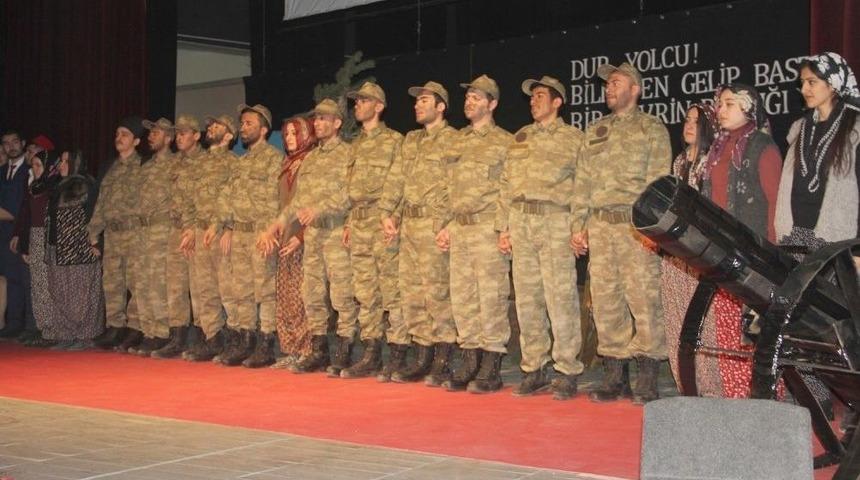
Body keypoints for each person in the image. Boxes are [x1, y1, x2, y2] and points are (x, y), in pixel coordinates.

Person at [570, 63, 671, 404]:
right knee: (606, 299)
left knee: (643, 299)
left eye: (616, 82)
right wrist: (578, 226)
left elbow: (659, 183)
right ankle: (615, 375)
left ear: (635, 88)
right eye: (607, 84)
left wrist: (650, 228)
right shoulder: (595, 130)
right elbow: (582, 181)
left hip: (633, 226)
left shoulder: (651, 128)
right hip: (599, 225)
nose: (608, 88)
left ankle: (647, 375)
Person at [774, 52, 859, 425]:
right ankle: (814, 396)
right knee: (802, 323)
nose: (804, 89)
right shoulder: (799, 129)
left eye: (812, 82)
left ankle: (853, 401)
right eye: (802, 83)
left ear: (834, 84)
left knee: (843, 325)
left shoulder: (855, 128)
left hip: (840, 242)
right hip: (798, 239)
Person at [259, 99, 359, 375]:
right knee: (311, 294)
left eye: (325, 119)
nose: (318, 123)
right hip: (314, 236)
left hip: (336, 230)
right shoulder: (312, 158)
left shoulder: (349, 155)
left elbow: (350, 194)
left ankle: (344, 349)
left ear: (337, 123)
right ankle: (318, 350)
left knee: (341, 294)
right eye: (316, 119)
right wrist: (276, 225)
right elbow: (297, 201)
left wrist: (320, 208)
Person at [500, 76, 585, 400]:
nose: (533, 101)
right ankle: (534, 366)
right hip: (522, 221)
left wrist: (579, 226)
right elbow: (506, 184)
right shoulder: (520, 137)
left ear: (557, 101)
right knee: (527, 299)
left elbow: (582, 186)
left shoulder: (573, 138)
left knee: (560, 298)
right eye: (532, 97)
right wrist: (503, 227)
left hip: (554, 221)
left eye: (539, 96)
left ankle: (566, 369)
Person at [698, 83, 782, 398]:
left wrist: (772, 251)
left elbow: (775, 201)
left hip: (753, 250)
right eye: (720, 104)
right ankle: (730, 390)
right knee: (726, 322)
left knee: (755, 325)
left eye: (729, 104)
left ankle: (763, 393)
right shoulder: (718, 148)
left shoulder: (762, 145)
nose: (721, 109)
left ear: (747, 108)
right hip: (722, 247)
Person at [378, 81, 458, 384]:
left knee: (436, 292)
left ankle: (443, 359)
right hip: (408, 225)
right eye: (416, 101)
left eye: (424, 100)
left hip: (432, 224)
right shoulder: (410, 140)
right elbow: (396, 179)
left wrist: (447, 224)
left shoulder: (453, 140)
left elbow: (456, 186)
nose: (417, 105)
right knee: (411, 293)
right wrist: (388, 214)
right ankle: (422, 356)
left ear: (440, 106)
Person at [437, 74, 512, 393]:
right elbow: (445, 187)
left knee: (491, 296)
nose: (469, 101)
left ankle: (491, 365)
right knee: (463, 297)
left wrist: (504, 229)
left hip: (486, 227)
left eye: (477, 97)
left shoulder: (505, 142)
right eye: (468, 97)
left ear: (492, 104)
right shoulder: (456, 141)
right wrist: (444, 224)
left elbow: (508, 189)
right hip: (460, 227)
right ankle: (469, 360)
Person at [340, 82, 404, 379]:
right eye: (356, 101)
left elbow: (400, 185)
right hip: (359, 222)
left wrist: (394, 218)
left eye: (364, 100)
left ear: (378, 106)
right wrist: (348, 222)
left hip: (382, 220)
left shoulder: (394, 141)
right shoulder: (355, 145)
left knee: (391, 290)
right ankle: (372, 351)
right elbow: (349, 189)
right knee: (365, 292)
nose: (358, 105)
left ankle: (398, 353)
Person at [215, 104, 281, 367]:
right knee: (241, 289)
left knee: (265, 290)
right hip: (240, 234)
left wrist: (268, 232)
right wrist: (228, 227)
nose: (243, 128)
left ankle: (266, 344)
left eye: (249, 124)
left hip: (260, 233)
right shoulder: (241, 163)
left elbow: (276, 200)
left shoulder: (273, 159)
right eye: (242, 123)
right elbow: (229, 198)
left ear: (264, 129)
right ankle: (246, 340)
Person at [660, 103, 717, 389]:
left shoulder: (711, 161)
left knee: (700, 321)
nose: (689, 125)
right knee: (675, 315)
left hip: (698, 252)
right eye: (686, 120)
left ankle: (706, 381)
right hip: (674, 252)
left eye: (697, 121)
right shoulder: (680, 161)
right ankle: (685, 381)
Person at [32, 150, 104, 349]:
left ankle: (84, 336)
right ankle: (65, 334)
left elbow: (96, 215)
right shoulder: (58, 186)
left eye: (66, 161)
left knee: (81, 295)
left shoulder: (86, 185)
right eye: (61, 161)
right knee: (60, 293)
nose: (61, 165)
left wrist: (96, 243)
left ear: (76, 163)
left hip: (79, 249)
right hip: (56, 248)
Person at [181, 115, 237, 362]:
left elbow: (237, 199)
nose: (211, 128)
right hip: (201, 232)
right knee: (204, 290)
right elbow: (191, 200)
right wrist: (190, 228)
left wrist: (230, 228)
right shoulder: (200, 164)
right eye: (210, 124)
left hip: (221, 232)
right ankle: (212, 338)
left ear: (228, 136)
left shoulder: (234, 163)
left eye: (218, 126)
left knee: (227, 288)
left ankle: (237, 339)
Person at [88, 117, 145, 351]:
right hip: (111, 235)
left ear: (137, 140)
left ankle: (135, 328)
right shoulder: (109, 168)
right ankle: (114, 326)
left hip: (134, 234)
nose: (118, 138)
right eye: (117, 133)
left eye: (124, 134)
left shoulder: (143, 166)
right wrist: (93, 233)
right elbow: (101, 203)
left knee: (135, 282)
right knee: (112, 283)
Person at [149, 115, 202, 359]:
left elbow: (205, 200)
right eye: (177, 134)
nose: (179, 137)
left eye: (184, 133)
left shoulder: (204, 162)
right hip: (174, 229)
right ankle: (177, 336)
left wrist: (193, 228)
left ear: (196, 136)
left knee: (199, 286)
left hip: (195, 230)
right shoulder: (173, 164)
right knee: (175, 286)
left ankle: (204, 337)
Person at [268, 115, 316, 369]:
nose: (289, 138)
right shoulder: (287, 164)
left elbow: (312, 202)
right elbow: (283, 205)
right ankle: (290, 349)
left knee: (302, 298)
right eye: (286, 134)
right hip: (285, 238)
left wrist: (301, 236)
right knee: (286, 297)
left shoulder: (311, 162)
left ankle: (307, 350)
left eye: (294, 133)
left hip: (303, 238)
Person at [130, 117, 176, 356]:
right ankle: (148, 331)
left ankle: (162, 332)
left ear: (169, 138)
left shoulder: (176, 165)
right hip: (141, 231)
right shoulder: (145, 167)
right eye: (150, 133)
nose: (151, 136)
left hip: (161, 231)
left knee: (159, 283)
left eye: (156, 133)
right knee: (142, 282)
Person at [10, 148, 54, 347]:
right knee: (36, 285)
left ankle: (50, 329)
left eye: (38, 165)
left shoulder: (52, 188)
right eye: (33, 165)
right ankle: (39, 327)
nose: (35, 169)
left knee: (46, 284)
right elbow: (26, 217)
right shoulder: (34, 188)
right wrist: (25, 245)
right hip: (34, 236)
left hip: (47, 237)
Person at [0, 129, 32, 339]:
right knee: (10, 278)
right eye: (6, 143)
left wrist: (21, 232)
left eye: (14, 141)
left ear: (22, 142)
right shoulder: (2, 171)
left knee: (24, 279)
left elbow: (16, 210)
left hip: (20, 233)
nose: (11, 146)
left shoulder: (30, 170)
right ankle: (13, 322)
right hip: (3, 233)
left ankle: (27, 325)